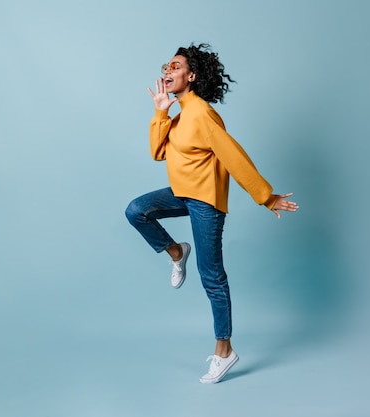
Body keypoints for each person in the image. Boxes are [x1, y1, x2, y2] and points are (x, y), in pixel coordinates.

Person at [125, 43, 298, 384]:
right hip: (181, 193)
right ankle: (176, 251)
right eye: (166, 66)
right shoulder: (179, 114)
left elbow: (234, 156)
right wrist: (160, 112)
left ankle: (224, 351)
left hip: (205, 201)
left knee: (211, 276)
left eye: (175, 67)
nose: (167, 71)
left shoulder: (202, 114)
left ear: (191, 76)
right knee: (136, 211)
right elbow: (158, 153)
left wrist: (266, 197)